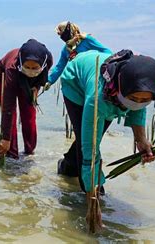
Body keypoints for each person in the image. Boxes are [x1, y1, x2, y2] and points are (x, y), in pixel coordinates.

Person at [58, 49, 155, 196]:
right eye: (133, 99)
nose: (138, 103)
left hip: (112, 94)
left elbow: (138, 107)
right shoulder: (98, 97)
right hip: (75, 82)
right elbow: (90, 147)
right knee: (88, 142)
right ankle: (87, 191)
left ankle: (67, 167)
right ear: (121, 88)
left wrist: (141, 140)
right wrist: (94, 191)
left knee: (88, 138)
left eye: (144, 100)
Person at [43, 21, 112, 180]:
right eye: (59, 35)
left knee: (90, 136)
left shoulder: (88, 41)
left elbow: (108, 53)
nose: (60, 36)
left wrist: (88, 43)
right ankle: (76, 172)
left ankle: (72, 168)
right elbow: (60, 67)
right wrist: (48, 81)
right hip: (75, 90)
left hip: (94, 88)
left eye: (61, 33)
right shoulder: (66, 49)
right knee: (83, 135)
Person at [0, 39, 53, 159]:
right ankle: (12, 154)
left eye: (34, 67)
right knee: (11, 116)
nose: (31, 70)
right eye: (27, 67)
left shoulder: (48, 59)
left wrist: (36, 88)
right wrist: (5, 139)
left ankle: (29, 152)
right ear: (22, 62)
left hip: (29, 82)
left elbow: (42, 76)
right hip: (6, 76)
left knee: (29, 116)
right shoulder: (12, 68)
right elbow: (8, 108)